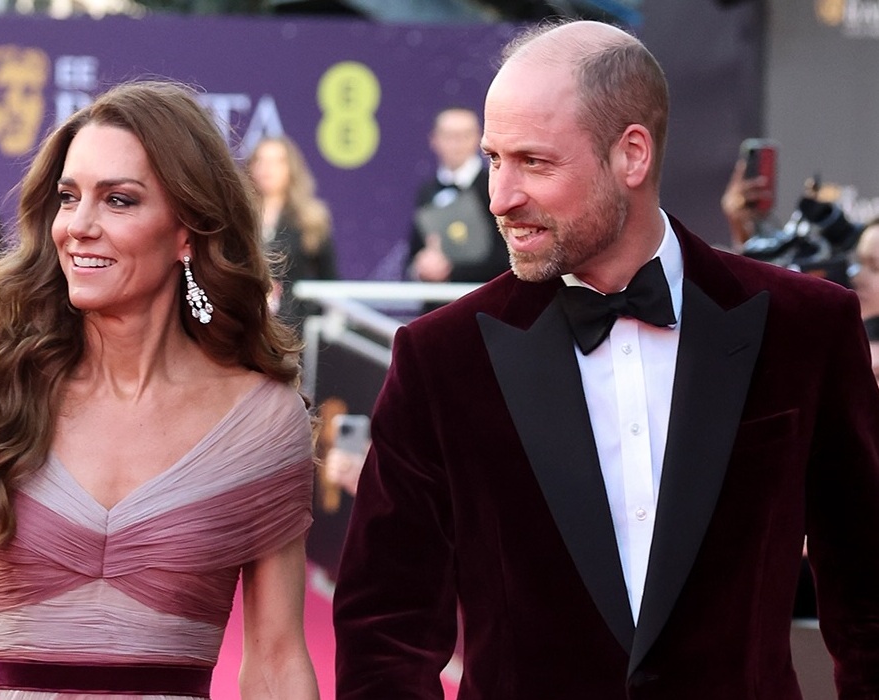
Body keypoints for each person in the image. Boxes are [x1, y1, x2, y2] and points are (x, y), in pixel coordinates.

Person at [333, 19, 879, 698]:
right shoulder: (442, 358)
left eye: (533, 161)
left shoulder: (807, 329)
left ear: (632, 156)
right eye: (495, 158)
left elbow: (868, 598)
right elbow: (385, 629)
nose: (500, 197)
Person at [0, 81, 320, 699]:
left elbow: (276, 662)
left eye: (118, 200)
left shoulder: (262, 422)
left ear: (187, 231)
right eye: (68, 197)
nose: (78, 227)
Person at [406, 107, 509, 299]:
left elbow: (508, 258)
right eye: (449, 135)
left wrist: (449, 271)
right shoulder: (427, 191)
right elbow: (415, 251)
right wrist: (422, 268)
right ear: (434, 140)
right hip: (437, 308)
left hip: (487, 304)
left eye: (465, 135)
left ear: (479, 139)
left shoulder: (495, 186)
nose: (457, 144)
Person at [247, 135, 337, 331]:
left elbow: (329, 279)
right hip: (246, 323)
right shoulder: (236, 216)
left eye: (276, 161)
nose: (266, 169)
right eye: (260, 160)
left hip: (296, 327)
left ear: (291, 168)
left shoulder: (311, 220)